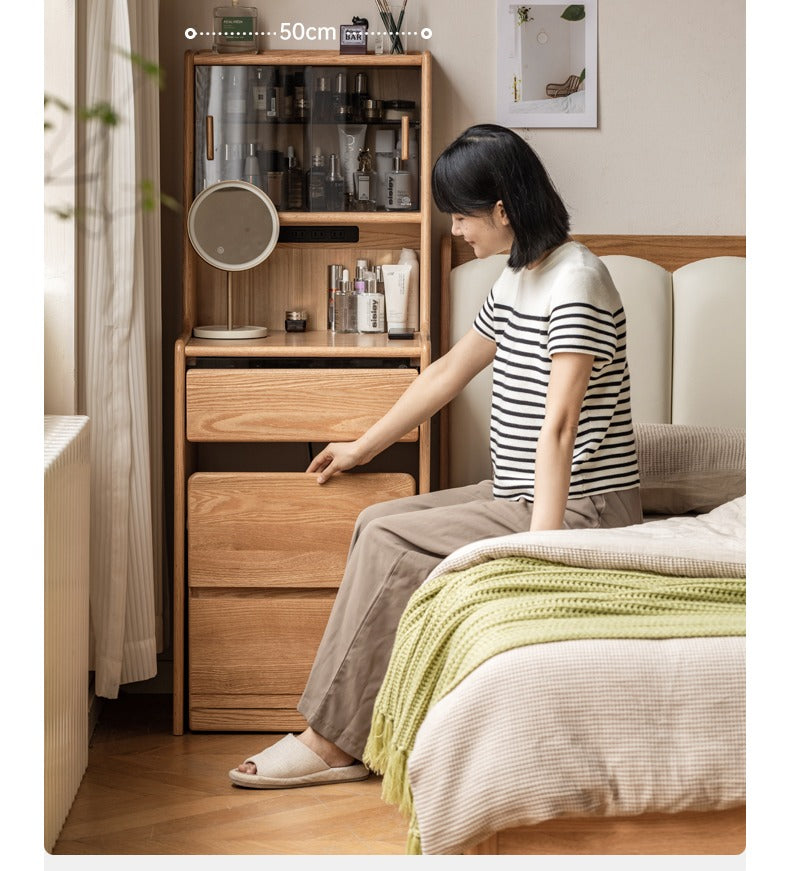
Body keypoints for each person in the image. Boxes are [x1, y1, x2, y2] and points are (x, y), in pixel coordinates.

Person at [229, 124, 642, 789]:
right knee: (376, 520)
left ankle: (331, 741)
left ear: (502, 209)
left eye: (461, 214)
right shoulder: (521, 275)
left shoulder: (578, 281)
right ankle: (375, 724)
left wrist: (539, 551)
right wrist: (362, 446)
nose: (455, 230)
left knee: (390, 540)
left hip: (578, 507)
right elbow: (449, 370)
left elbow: (561, 425)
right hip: (516, 491)